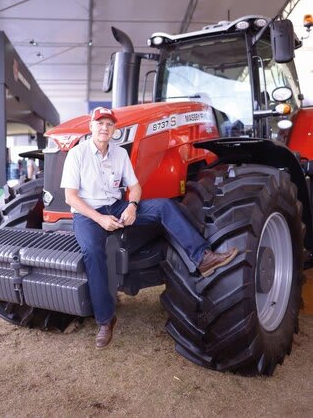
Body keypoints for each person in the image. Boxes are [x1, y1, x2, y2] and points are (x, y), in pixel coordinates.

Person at [60, 107, 238, 350]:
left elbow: (134, 187)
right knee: (93, 252)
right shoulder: (77, 155)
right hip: (87, 214)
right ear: (91, 127)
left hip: (116, 205)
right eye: (100, 123)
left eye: (109, 124)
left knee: (164, 207)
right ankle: (105, 319)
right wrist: (100, 220)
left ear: (114, 129)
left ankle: (202, 257)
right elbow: (71, 198)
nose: (104, 128)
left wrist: (132, 206)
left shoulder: (119, 154)